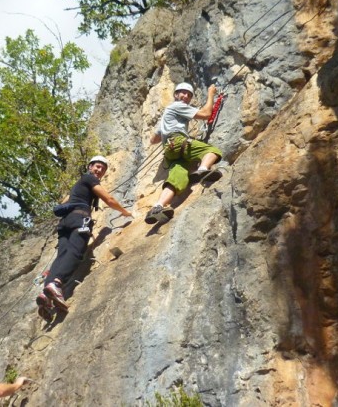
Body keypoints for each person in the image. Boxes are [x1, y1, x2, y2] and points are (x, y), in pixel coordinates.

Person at [37, 155, 133, 321]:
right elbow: (108, 199)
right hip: (79, 220)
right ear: (89, 167)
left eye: (102, 169)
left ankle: (46, 295)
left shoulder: (77, 185)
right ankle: (57, 284)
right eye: (97, 166)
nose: (99, 170)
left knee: (62, 255)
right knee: (75, 252)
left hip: (65, 223)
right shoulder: (89, 179)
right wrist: (126, 212)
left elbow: (64, 201)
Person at [145, 82, 223, 224]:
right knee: (212, 151)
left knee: (176, 180)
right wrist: (211, 93)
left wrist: (168, 129)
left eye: (188, 95)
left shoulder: (166, 115)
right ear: (176, 95)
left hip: (170, 152)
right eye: (182, 93)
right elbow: (206, 114)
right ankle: (203, 170)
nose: (185, 96)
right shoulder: (177, 106)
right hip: (179, 141)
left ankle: (157, 207)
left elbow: (153, 139)